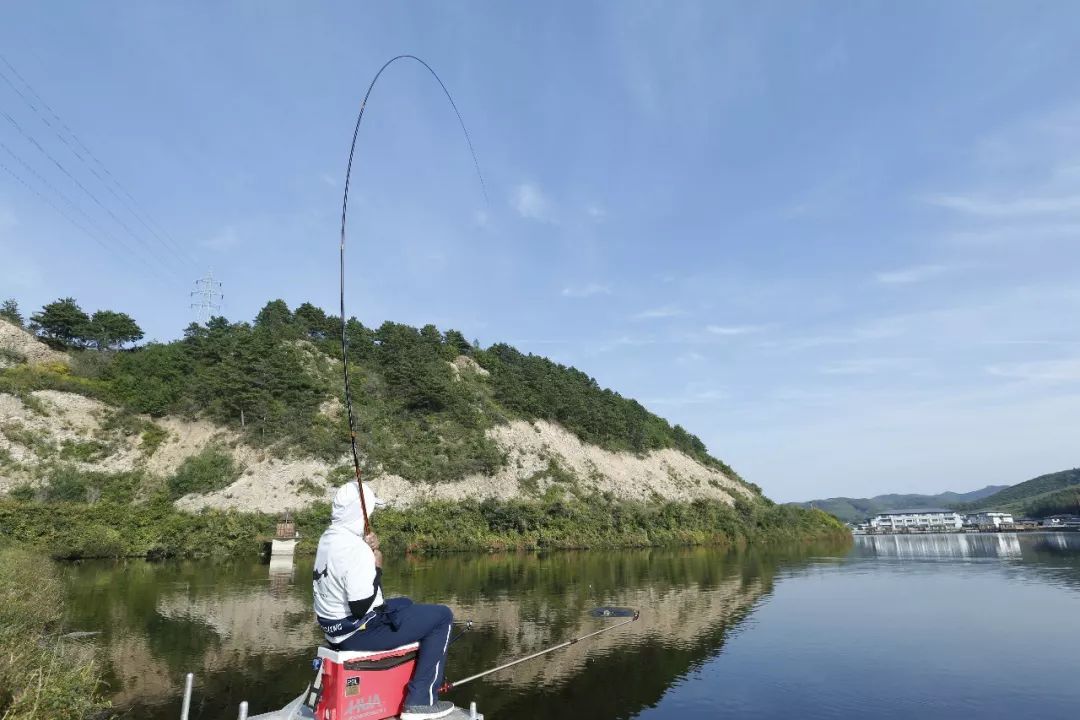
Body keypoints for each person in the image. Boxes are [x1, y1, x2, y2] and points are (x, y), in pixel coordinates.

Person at [313, 482, 456, 720]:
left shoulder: (328, 539)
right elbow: (360, 607)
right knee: (442, 616)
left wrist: (370, 552)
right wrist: (376, 565)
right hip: (357, 632)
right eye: (370, 511)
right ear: (363, 512)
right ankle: (420, 701)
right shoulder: (355, 549)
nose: (372, 516)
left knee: (405, 603)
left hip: (334, 631)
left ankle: (409, 677)